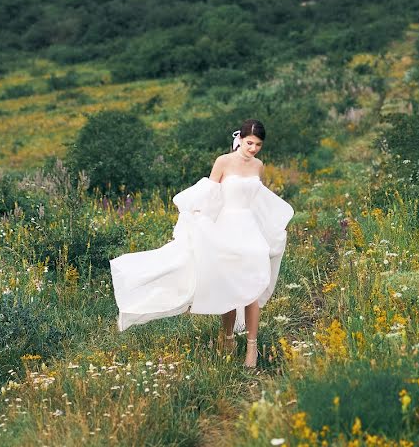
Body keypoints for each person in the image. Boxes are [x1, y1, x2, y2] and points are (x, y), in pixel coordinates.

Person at [109, 119, 294, 368]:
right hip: (227, 227)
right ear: (240, 139)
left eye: (258, 145)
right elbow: (210, 193)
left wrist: (272, 227)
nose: (253, 149)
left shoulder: (259, 166)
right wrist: (198, 219)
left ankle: (252, 348)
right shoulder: (223, 161)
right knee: (232, 285)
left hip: (249, 229)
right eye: (250, 143)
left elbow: (258, 200)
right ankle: (227, 337)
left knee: (255, 286)